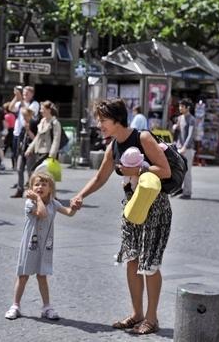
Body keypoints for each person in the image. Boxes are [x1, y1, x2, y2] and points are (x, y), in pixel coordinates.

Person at [70, 99, 172, 335]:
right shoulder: (113, 146)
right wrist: (80, 196)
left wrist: (136, 171)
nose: (99, 124)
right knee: (132, 260)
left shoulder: (143, 138)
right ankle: (136, 314)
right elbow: (100, 178)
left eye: (103, 120)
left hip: (155, 208)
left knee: (149, 262)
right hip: (132, 208)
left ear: (117, 120)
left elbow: (164, 170)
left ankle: (151, 318)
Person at [4, 171, 78, 320]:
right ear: (31, 187)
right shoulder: (30, 202)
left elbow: (69, 213)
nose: (40, 187)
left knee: (42, 275)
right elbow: (42, 214)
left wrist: (75, 206)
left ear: (50, 188)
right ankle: (15, 305)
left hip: (45, 246)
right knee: (23, 275)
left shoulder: (53, 203)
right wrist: (37, 198)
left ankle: (47, 307)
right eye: (36, 184)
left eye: (44, 184)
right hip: (30, 245)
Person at [25, 101, 61, 170]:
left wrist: (52, 155)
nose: (40, 111)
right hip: (38, 151)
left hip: (47, 152)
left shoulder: (55, 123)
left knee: (38, 172)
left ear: (48, 110)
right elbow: (37, 137)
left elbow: (56, 140)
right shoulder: (42, 121)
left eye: (42, 109)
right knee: (35, 171)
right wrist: (30, 149)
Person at [11, 107, 37, 198]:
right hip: (22, 151)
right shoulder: (23, 125)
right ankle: (19, 189)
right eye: (23, 116)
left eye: (26, 115)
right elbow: (20, 138)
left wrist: (28, 130)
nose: (24, 117)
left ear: (30, 115)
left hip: (31, 150)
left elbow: (36, 139)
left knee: (30, 171)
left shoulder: (34, 123)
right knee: (19, 169)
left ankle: (31, 190)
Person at [9, 85, 40, 165]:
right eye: (24, 93)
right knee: (15, 151)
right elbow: (10, 108)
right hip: (17, 130)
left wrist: (21, 100)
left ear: (32, 94)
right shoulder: (19, 103)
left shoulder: (35, 104)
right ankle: (17, 165)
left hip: (27, 131)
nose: (25, 94)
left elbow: (26, 111)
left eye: (27, 93)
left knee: (24, 151)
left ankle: (25, 165)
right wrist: (16, 97)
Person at [172, 99, 195, 199]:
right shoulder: (180, 118)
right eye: (179, 106)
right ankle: (178, 189)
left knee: (187, 171)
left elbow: (190, 135)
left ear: (188, 108)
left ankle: (187, 192)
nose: (180, 108)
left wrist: (185, 146)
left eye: (182, 106)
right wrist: (175, 127)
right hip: (178, 147)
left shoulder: (191, 119)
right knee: (177, 170)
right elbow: (177, 132)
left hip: (187, 149)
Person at [3, 102, 17, 170]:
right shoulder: (13, 115)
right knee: (13, 149)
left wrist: (4, 135)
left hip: (8, 131)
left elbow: (6, 126)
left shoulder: (6, 116)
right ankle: (14, 164)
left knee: (5, 147)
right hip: (13, 131)